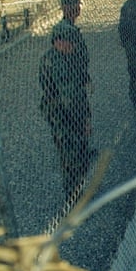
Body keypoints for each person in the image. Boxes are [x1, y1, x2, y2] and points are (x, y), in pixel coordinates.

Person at [39, 20, 93, 201]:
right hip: (62, 114)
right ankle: (74, 196)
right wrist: (83, 121)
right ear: (59, 42)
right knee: (70, 154)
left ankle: (78, 186)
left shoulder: (66, 56)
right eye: (70, 42)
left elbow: (79, 87)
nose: (74, 46)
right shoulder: (55, 62)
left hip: (71, 110)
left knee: (78, 150)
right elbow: (70, 96)